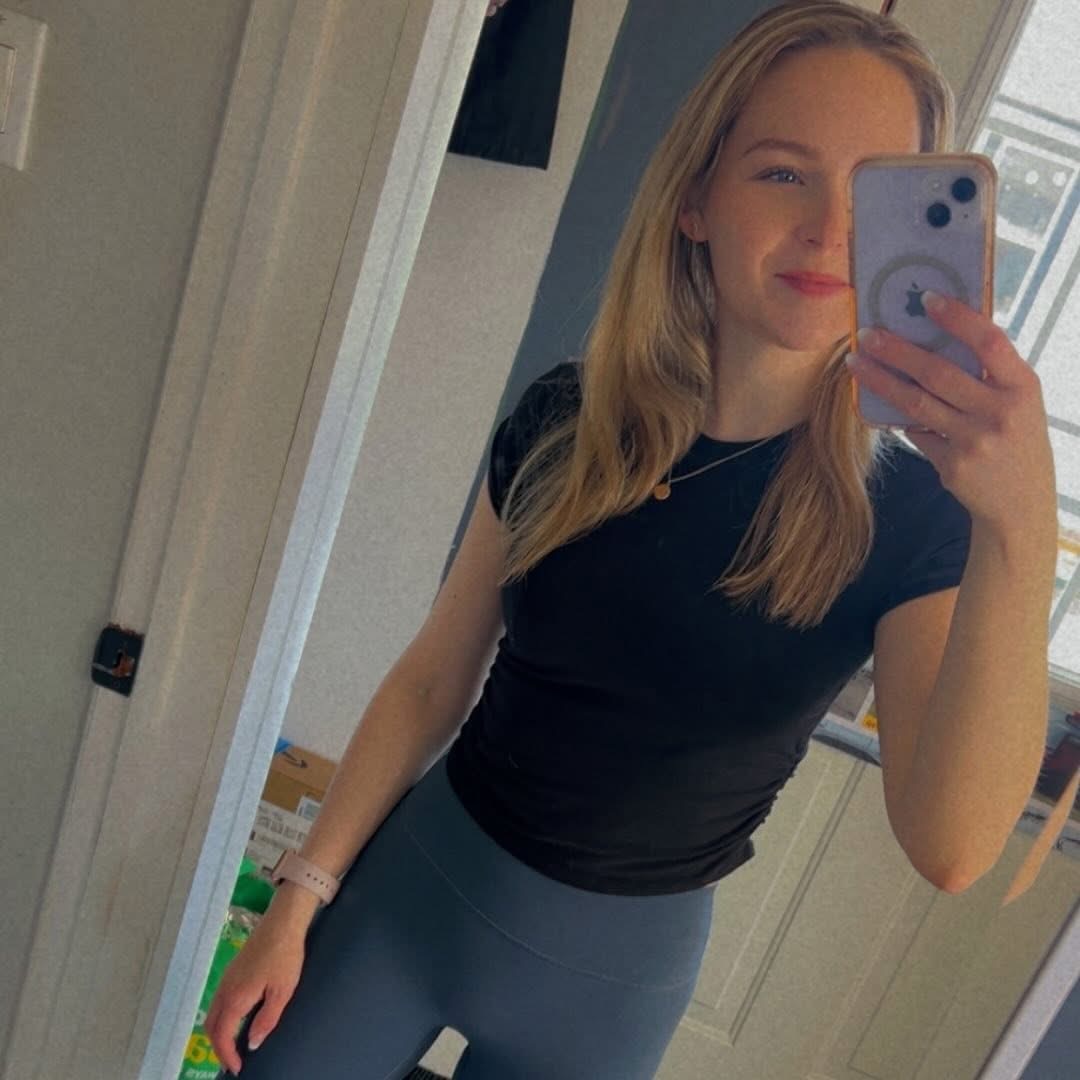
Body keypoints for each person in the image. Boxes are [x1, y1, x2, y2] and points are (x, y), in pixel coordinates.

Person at [205, 1, 1059, 1077]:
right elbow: (431, 680)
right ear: (697, 199)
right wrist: (299, 895)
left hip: (605, 992)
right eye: (783, 173)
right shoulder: (567, 417)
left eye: (871, 190)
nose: (828, 230)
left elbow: (954, 849)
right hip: (417, 891)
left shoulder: (915, 512)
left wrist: (1022, 526)